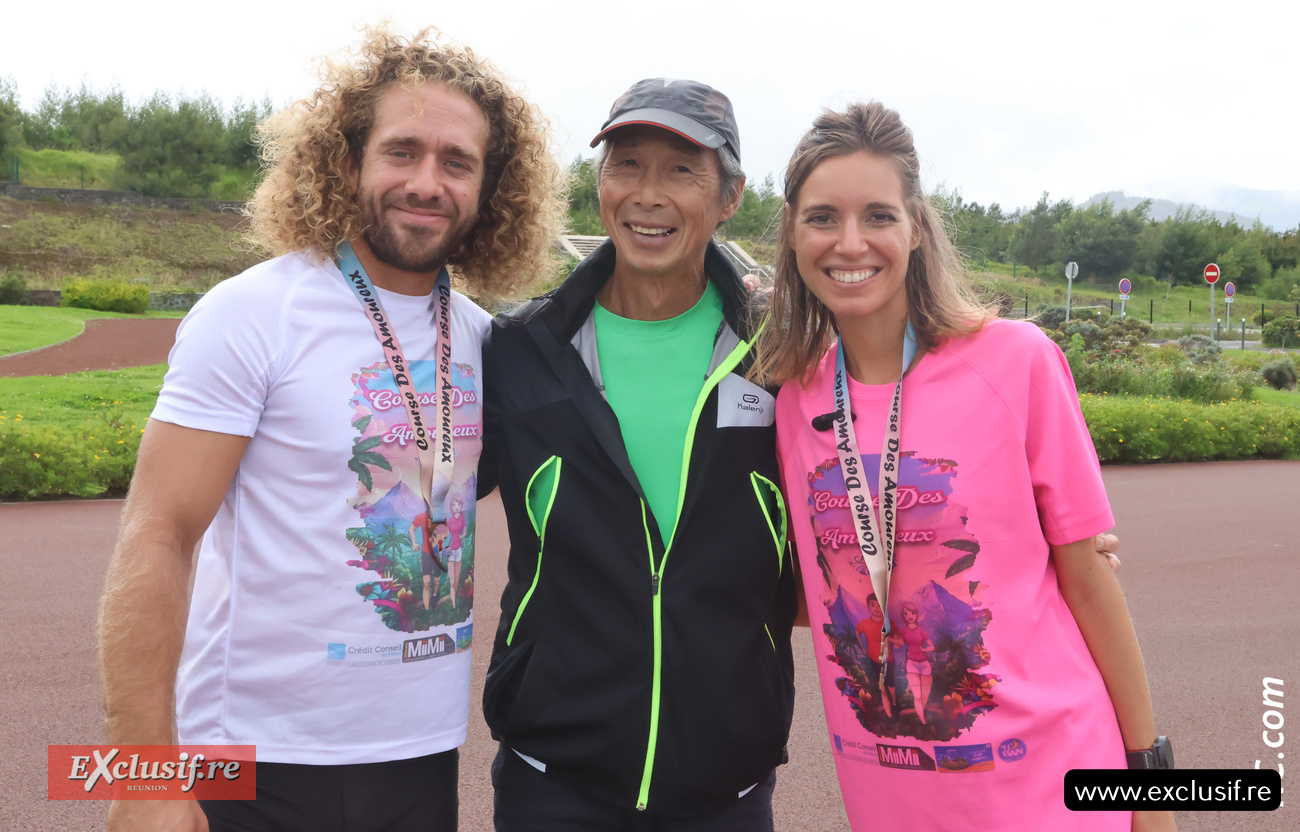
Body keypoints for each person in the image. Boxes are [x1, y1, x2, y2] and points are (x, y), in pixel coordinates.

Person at [96, 26, 561, 832]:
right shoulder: (252, 314)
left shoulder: (489, 340)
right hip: (250, 757)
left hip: (420, 754)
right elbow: (157, 535)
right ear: (347, 163)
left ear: (490, 188)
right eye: (401, 151)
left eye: (457, 163)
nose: (427, 181)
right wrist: (142, 777)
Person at [754, 102, 1175, 831]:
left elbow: (1088, 582)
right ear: (792, 231)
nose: (851, 242)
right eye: (823, 217)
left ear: (916, 227)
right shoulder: (793, 400)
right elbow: (811, 594)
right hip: (890, 795)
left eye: (878, 215)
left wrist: (1152, 788)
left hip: (1049, 785)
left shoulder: (1015, 362)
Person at [480, 78, 798, 829]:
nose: (647, 194)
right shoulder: (522, 351)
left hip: (728, 786)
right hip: (552, 784)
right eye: (626, 165)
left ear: (730, 197)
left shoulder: (784, 357)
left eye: (682, 170)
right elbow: (416, 489)